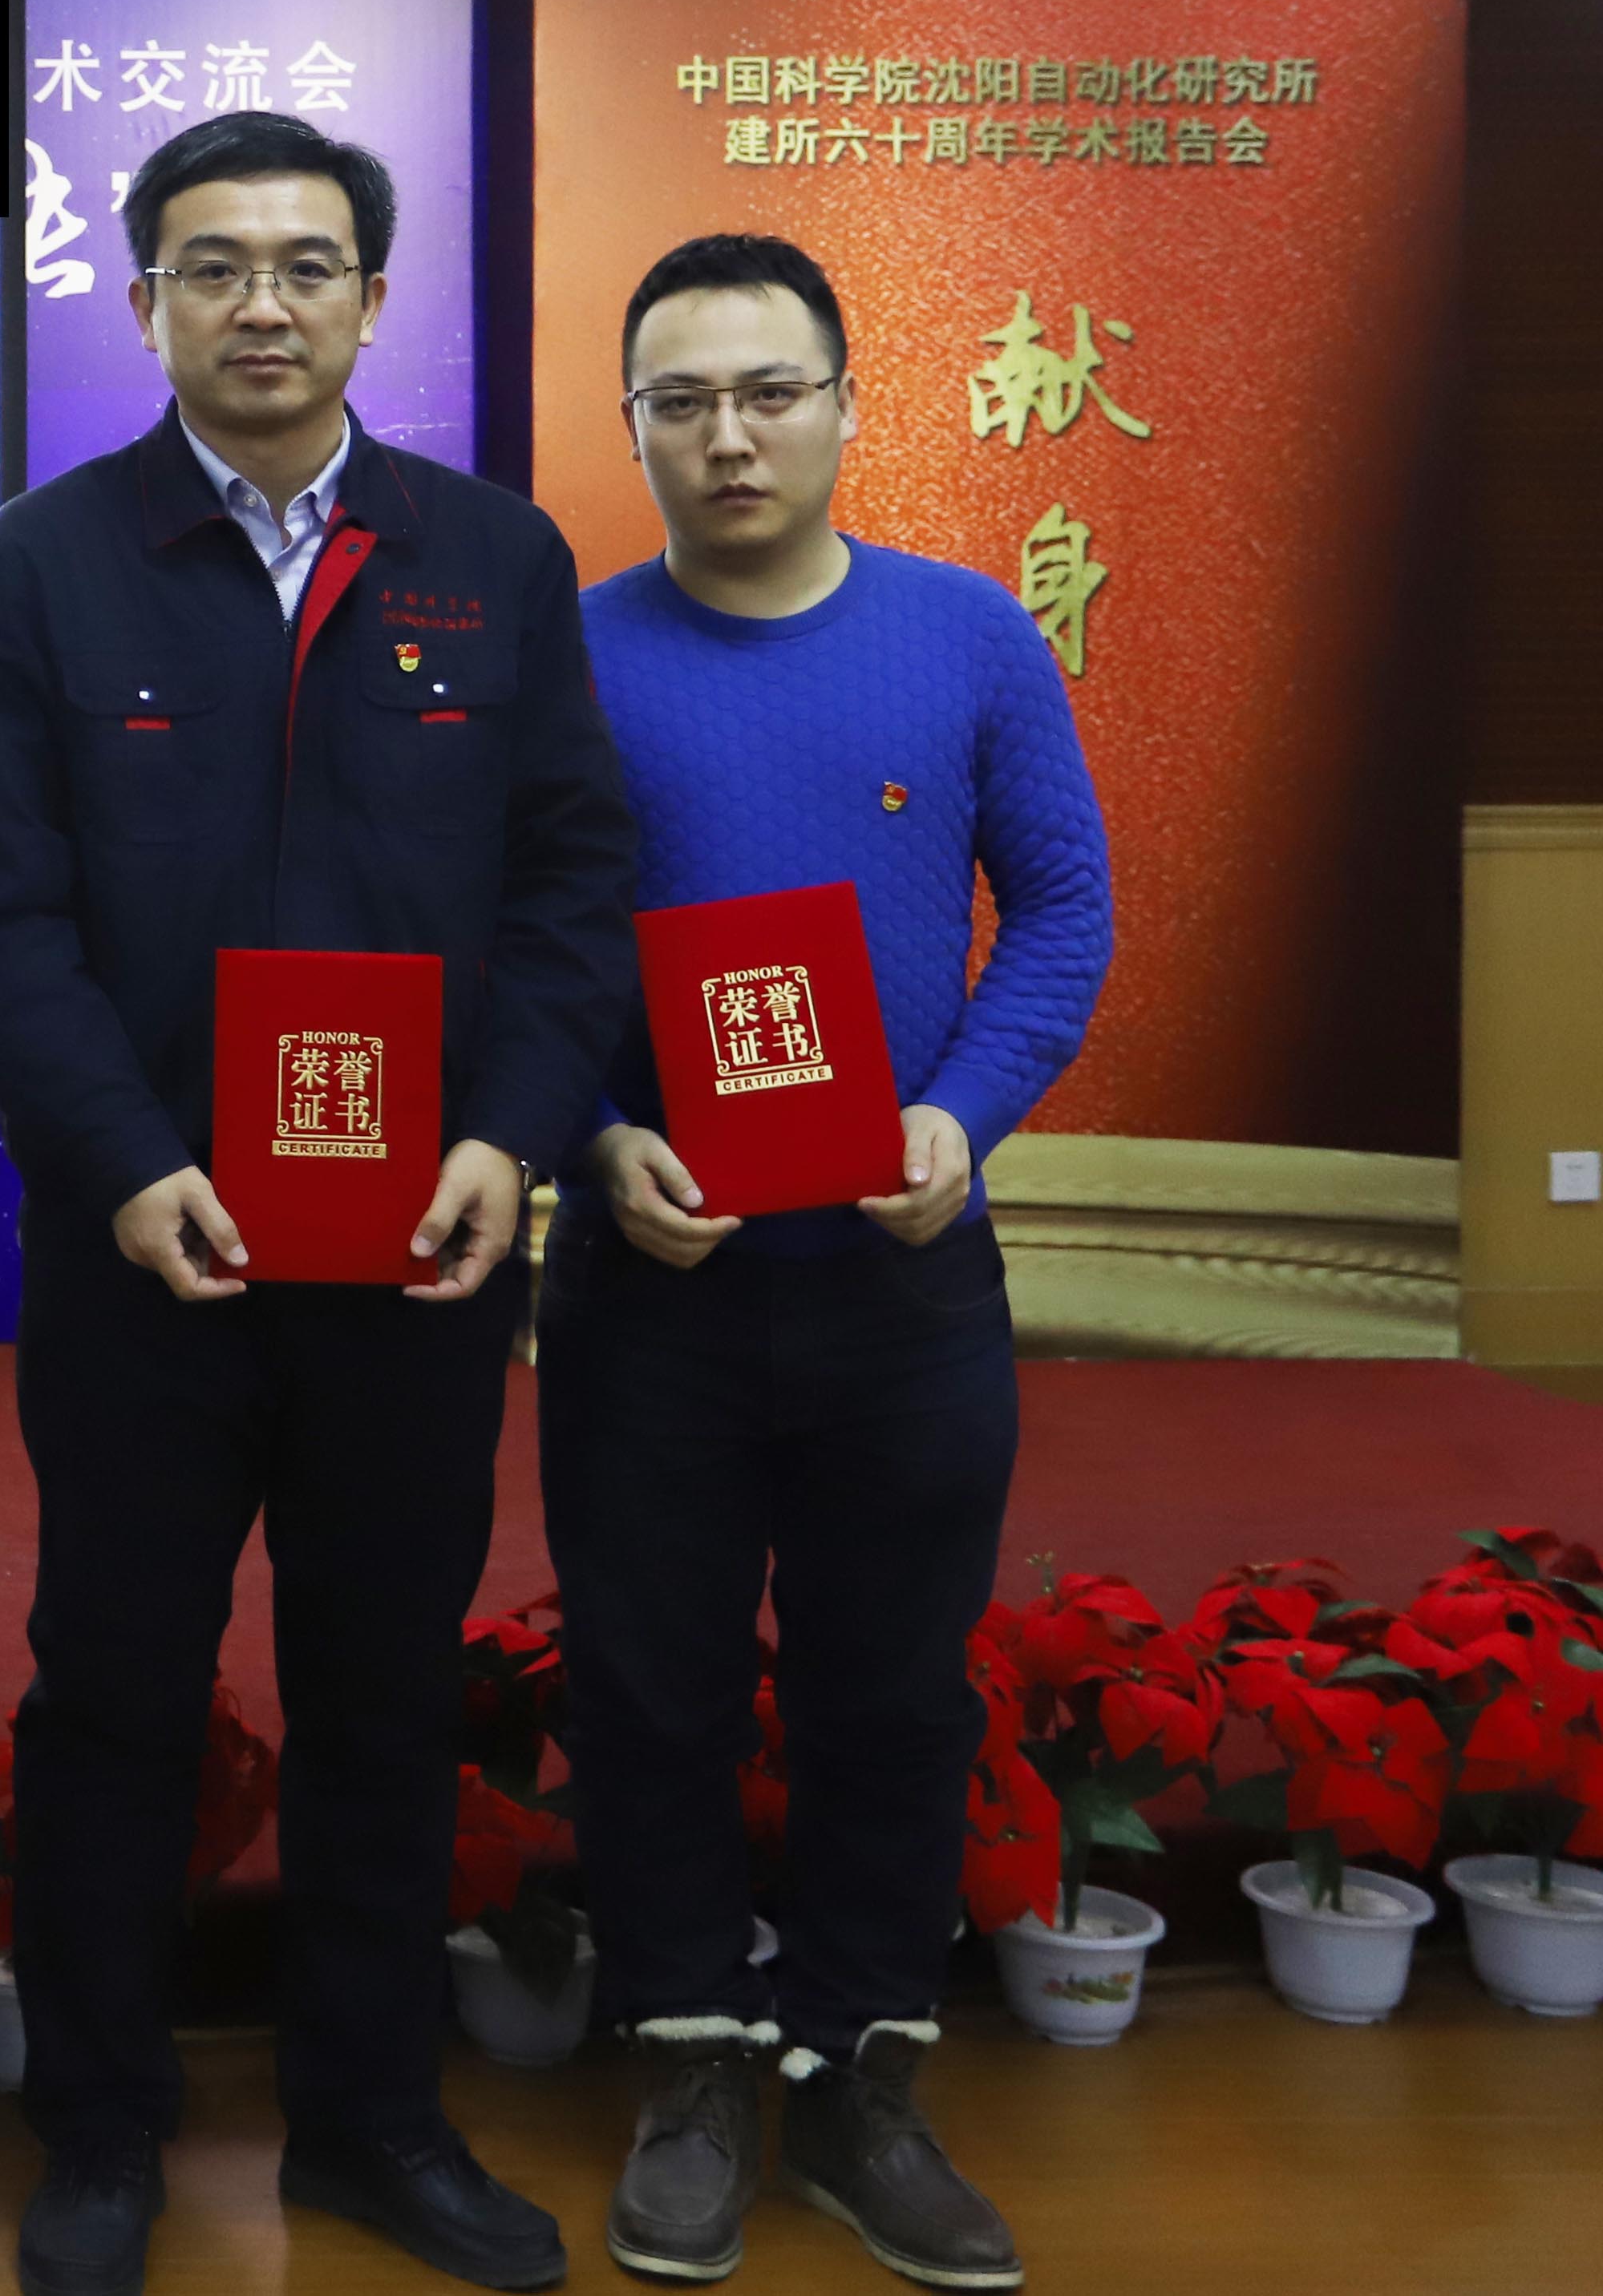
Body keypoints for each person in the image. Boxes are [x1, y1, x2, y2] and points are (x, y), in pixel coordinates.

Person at [0, 111, 639, 2296]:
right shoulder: (40, 566)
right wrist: (123, 1160)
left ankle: (370, 2118)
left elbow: (571, 879)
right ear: (142, 297)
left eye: (307, 263)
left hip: (415, 1253)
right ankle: (100, 2120)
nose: (263, 301)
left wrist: (507, 1136)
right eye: (214, 264)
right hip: (146, 1254)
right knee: (113, 1687)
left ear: (371, 297)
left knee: (384, 1689)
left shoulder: (488, 557)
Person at [551, 234, 1110, 2294]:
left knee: (891, 1683)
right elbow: (501, 944)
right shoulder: (565, 657)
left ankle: (865, 2069)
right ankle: (691, 2056)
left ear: (846, 404)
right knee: (652, 1683)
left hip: (900, 1270)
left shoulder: (966, 636)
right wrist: (586, 1135)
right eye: (681, 400)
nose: (728, 435)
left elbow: (1060, 910)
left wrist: (962, 1111)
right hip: (652, 1275)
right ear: (631, 424)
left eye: (768, 390)